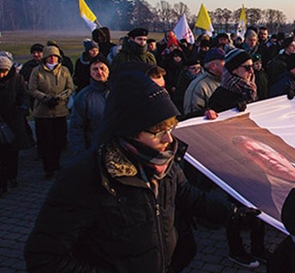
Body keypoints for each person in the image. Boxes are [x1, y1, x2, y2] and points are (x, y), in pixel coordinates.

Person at [24, 69, 260, 272]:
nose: (169, 138)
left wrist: (232, 213)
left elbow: (187, 194)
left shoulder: (164, 162)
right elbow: (45, 257)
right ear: (128, 130)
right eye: (157, 131)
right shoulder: (88, 177)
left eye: (171, 127)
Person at [28, 46, 74, 179]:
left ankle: (57, 163)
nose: (53, 58)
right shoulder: (37, 71)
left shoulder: (64, 70)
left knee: (59, 140)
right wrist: (45, 99)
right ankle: (48, 167)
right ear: (45, 57)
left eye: (55, 56)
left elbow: (69, 87)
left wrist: (60, 97)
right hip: (43, 112)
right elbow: (32, 89)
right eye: (50, 56)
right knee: (46, 141)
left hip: (60, 111)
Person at [67, 56, 110, 157]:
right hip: (94, 148)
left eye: (102, 68)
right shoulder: (84, 96)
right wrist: (80, 154)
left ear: (108, 70)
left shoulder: (118, 92)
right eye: (95, 69)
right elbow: (76, 127)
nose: (99, 72)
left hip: (118, 149)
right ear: (90, 73)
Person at [0, 55, 30, 195]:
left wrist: (23, 106)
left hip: (13, 120)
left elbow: (24, 94)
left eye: (4, 71)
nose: (1, 74)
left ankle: (13, 176)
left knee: (13, 152)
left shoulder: (17, 79)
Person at [208, 49, 257, 114]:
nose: (251, 71)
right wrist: (232, 108)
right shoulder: (220, 96)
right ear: (234, 69)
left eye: (252, 66)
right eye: (247, 67)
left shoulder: (252, 88)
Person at [183, 48, 225, 116]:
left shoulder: (225, 81)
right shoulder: (199, 86)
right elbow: (191, 116)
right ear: (213, 66)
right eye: (224, 62)